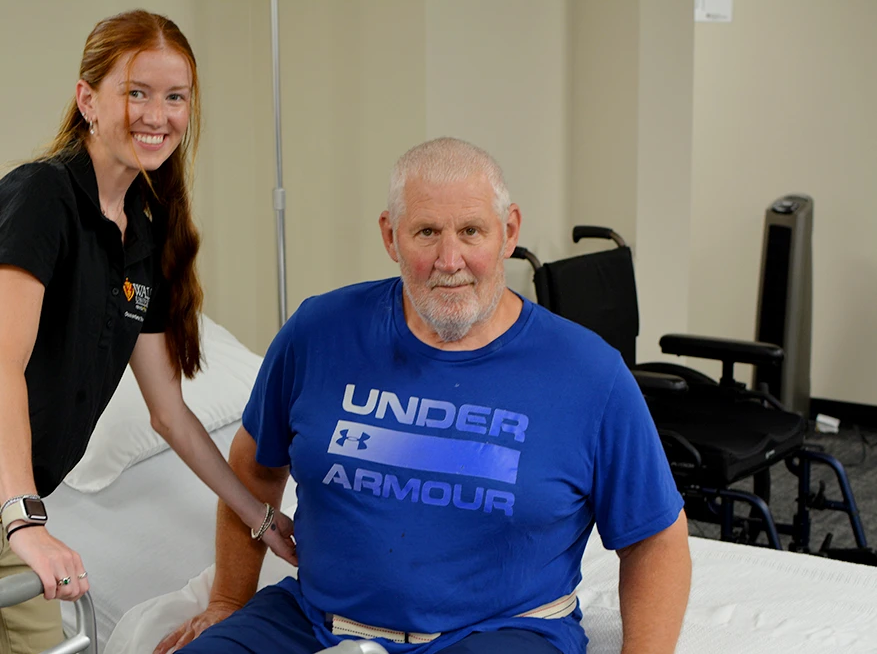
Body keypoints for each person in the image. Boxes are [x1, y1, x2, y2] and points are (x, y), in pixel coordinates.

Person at [0, 10, 296, 654]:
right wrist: (25, 523)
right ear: (88, 99)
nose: (158, 114)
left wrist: (258, 515)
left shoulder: (140, 235)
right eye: (137, 92)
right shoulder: (41, 197)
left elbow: (171, 415)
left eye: (175, 97)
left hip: (19, 499)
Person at [157, 137, 691, 654]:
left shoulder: (588, 371)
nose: (450, 258)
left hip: (500, 633)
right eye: (427, 231)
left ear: (508, 233)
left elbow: (655, 539)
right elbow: (253, 472)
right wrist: (227, 600)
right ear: (391, 237)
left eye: (471, 231)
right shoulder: (318, 332)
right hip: (314, 621)